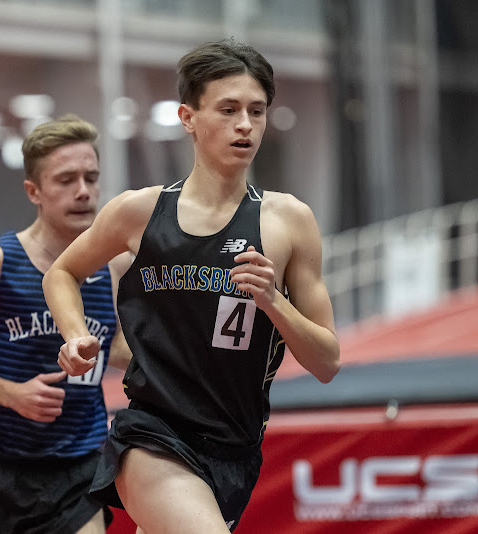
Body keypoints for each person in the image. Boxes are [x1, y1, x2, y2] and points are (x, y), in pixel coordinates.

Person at [42, 39, 341, 533]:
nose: (245, 124)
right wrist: (75, 335)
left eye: (257, 111)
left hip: (236, 447)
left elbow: (327, 362)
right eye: (228, 109)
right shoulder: (139, 211)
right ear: (188, 117)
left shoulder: (290, 222)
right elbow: (61, 273)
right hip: (152, 435)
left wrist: (274, 302)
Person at [0, 114, 132, 534]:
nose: (83, 191)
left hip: (78, 469)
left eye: (91, 178)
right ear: (33, 191)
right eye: (66, 180)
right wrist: (12, 394)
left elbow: (118, 345)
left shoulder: (113, 266)